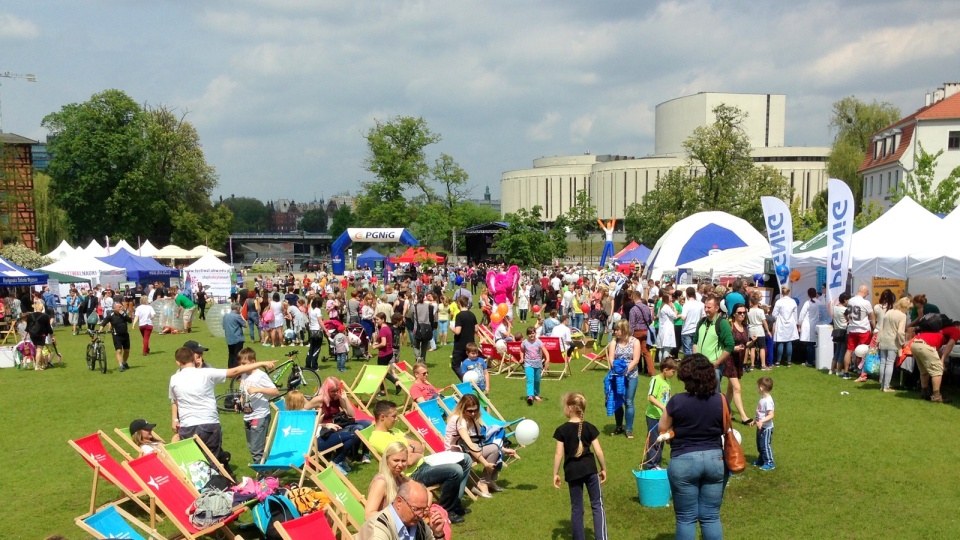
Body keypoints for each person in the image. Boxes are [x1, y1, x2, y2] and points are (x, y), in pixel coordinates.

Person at [657, 354, 726, 540]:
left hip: (683, 459)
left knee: (686, 518)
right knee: (711, 517)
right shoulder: (721, 400)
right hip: (715, 459)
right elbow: (726, 429)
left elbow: (662, 428)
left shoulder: (677, 401)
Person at [367, 400, 472, 524]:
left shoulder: (394, 431)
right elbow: (408, 461)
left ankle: (455, 503)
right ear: (382, 417)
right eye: (394, 416)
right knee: (455, 471)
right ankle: (447, 510)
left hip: (424, 462)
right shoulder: (377, 438)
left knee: (465, 458)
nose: (397, 419)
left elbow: (420, 446)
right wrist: (413, 452)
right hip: (412, 473)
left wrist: (412, 451)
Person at [169, 346, 275, 464]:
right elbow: (233, 371)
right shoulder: (206, 372)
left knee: (192, 461)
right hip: (209, 423)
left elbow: (174, 400)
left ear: (177, 362)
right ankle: (215, 481)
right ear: (194, 358)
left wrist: (175, 419)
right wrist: (262, 363)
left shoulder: (174, 379)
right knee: (213, 461)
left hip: (187, 425)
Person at [552, 392, 608, 540]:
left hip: (572, 472)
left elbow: (558, 454)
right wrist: (603, 469)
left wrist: (555, 473)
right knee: (597, 505)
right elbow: (599, 451)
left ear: (570, 408)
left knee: (577, 509)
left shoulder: (561, 430)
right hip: (590, 470)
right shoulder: (589, 427)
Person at [305, 377, 371, 474]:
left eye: (337, 390)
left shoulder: (337, 398)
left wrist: (345, 400)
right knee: (358, 429)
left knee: (367, 424)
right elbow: (304, 414)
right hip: (326, 430)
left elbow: (352, 414)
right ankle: (341, 458)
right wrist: (325, 424)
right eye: (333, 391)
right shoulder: (319, 400)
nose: (336, 393)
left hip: (339, 424)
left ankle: (360, 454)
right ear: (326, 391)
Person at [444, 394, 498, 498]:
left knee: (496, 448)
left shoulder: (471, 419)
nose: (473, 413)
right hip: (455, 454)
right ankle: (484, 482)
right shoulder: (459, 420)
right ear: (462, 408)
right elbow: (468, 444)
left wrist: (503, 448)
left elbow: (478, 440)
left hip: (465, 451)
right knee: (494, 449)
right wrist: (485, 463)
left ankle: (487, 481)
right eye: (469, 411)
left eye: (475, 410)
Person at [357, 481, 447, 540]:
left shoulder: (418, 524)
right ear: (399, 502)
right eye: (416, 509)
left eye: (424, 509)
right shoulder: (379, 527)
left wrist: (438, 534)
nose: (420, 515)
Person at [237, 348, 279, 464]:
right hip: (248, 415)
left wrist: (258, 389)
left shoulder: (260, 375)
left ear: (253, 361)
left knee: (256, 449)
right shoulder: (244, 375)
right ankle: (269, 467)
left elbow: (275, 392)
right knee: (253, 447)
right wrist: (240, 401)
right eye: (240, 363)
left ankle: (263, 477)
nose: (241, 366)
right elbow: (243, 392)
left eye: (244, 363)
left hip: (260, 415)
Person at [605, 319, 641, 438]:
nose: (615, 331)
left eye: (617, 329)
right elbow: (611, 358)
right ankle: (619, 426)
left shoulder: (635, 342)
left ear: (624, 330)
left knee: (629, 401)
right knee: (618, 401)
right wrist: (616, 369)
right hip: (617, 374)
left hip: (631, 375)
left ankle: (629, 429)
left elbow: (636, 359)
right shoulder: (614, 342)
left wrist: (625, 371)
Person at [644, 357, 678, 470]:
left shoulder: (667, 382)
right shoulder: (655, 380)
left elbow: (666, 397)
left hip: (664, 417)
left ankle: (656, 463)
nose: (674, 374)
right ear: (665, 369)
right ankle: (651, 464)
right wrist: (663, 407)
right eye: (673, 371)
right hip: (653, 416)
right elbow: (651, 397)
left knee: (661, 440)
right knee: (653, 441)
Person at [364, 441, 410, 518]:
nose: (400, 464)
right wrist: (395, 519)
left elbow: (426, 492)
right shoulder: (381, 482)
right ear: (387, 459)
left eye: (403, 461)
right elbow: (369, 514)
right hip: (384, 527)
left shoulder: (399, 478)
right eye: (396, 460)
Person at [725, 303, 752, 423]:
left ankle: (725, 412)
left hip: (739, 362)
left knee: (730, 390)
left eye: (744, 312)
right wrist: (733, 348)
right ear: (734, 314)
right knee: (737, 388)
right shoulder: (730, 326)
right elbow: (725, 344)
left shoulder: (745, 328)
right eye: (740, 312)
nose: (742, 315)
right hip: (729, 360)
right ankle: (743, 416)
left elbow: (745, 345)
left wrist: (752, 342)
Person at [877, 297, 909, 393]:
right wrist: (902, 342)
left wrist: (878, 339)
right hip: (893, 341)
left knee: (883, 362)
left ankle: (882, 384)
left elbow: (881, 327)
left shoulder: (888, 312)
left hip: (883, 339)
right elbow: (900, 332)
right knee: (890, 363)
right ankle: (886, 386)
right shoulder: (902, 316)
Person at [845, 285, 875, 381]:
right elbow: (871, 315)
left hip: (852, 328)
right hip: (863, 328)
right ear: (865, 292)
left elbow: (847, 314)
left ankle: (846, 372)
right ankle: (862, 373)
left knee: (849, 350)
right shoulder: (865, 302)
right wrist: (874, 327)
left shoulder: (850, 300)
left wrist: (849, 321)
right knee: (864, 351)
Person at [749, 376, 776, 470]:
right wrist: (755, 421)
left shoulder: (768, 401)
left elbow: (771, 415)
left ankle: (769, 463)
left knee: (765, 445)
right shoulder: (762, 399)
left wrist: (761, 421)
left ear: (761, 388)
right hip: (760, 426)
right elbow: (760, 413)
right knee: (760, 445)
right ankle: (761, 460)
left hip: (766, 428)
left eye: (757, 387)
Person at [628, 290, 655, 376]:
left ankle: (634, 369)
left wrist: (630, 335)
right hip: (645, 331)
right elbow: (650, 320)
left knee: (635, 351)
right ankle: (651, 371)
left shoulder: (633, 309)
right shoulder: (646, 307)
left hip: (636, 332)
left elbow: (631, 324)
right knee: (646, 352)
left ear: (633, 297)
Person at [771, 286, 799, 367]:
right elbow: (795, 314)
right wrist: (796, 323)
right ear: (788, 292)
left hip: (781, 323)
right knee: (789, 341)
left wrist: (775, 320)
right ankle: (789, 361)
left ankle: (778, 361)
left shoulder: (779, 302)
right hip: (790, 323)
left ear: (781, 293)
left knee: (780, 341)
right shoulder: (793, 301)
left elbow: (774, 314)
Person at [451, 296, 477, 379]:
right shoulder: (472, 315)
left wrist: (451, 328)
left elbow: (458, 331)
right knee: (468, 365)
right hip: (470, 344)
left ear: (459, 303)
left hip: (460, 344)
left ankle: (466, 380)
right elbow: (476, 329)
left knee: (455, 365)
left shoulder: (459, 316)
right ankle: (471, 381)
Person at [101, 303, 133, 372]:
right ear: (114, 308)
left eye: (121, 307)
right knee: (119, 350)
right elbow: (103, 323)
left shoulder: (123, 314)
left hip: (125, 335)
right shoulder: (111, 315)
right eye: (119, 307)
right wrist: (100, 330)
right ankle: (120, 365)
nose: (121, 308)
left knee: (127, 350)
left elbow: (130, 321)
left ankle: (124, 362)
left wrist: (124, 314)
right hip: (117, 335)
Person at [521, 326, 548, 406]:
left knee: (537, 381)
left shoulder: (539, 342)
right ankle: (530, 396)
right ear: (527, 335)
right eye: (529, 334)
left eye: (533, 333)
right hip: (528, 364)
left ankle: (536, 394)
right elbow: (521, 351)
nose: (531, 335)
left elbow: (546, 352)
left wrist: (548, 360)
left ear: (535, 333)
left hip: (537, 364)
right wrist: (522, 358)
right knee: (530, 379)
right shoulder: (525, 342)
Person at [746, 293, 770, 371]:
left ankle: (752, 365)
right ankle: (763, 365)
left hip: (751, 330)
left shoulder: (748, 311)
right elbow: (764, 322)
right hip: (759, 330)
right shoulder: (760, 311)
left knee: (752, 348)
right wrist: (768, 331)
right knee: (762, 348)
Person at [797, 288, 820, 367]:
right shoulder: (819, 303)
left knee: (810, 344)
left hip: (808, 325)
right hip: (817, 325)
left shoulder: (807, 303)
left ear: (808, 294)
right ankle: (814, 359)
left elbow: (802, 314)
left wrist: (799, 323)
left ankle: (810, 361)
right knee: (815, 343)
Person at [830, 292, 850, 376]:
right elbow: (848, 319)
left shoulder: (834, 308)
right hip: (844, 331)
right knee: (842, 351)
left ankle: (832, 369)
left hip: (836, 330)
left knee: (837, 350)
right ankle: (839, 370)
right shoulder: (845, 310)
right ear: (845, 300)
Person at [680, 287, 704, 356]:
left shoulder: (686, 305)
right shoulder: (701, 304)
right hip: (697, 329)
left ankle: (689, 365)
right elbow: (703, 316)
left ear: (687, 294)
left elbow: (683, 318)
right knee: (696, 350)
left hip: (687, 330)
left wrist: (679, 315)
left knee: (688, 350)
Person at [222, 303, 246, 369]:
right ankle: (237, 372)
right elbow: (245, 325)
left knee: (231, 354)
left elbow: (224, 327)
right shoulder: (237, 316)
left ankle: (230, 369)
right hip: (237, 338)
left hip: (229, 338)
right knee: (238, 356)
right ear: (237, 308)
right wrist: (242, 316)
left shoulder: (225, 316)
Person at [657, 290, 678, 361]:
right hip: (667, 330)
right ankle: (665, 365)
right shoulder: (666, 307)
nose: (671, 299)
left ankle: (661, 364)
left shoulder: (661, 307)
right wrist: (674, 308)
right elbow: (675, 316)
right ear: (667, 299)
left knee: (661, 349)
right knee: (667, 348)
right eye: (670, 298)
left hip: (662, 330)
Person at [305, 296, 324, 370]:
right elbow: (320, 321)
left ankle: (308, 364)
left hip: (311, 330)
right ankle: (314, 366)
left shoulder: (310, 310)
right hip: (317, 331)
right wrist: (326, 330)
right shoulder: (318, 310)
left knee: (311, 348)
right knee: (317, 349)